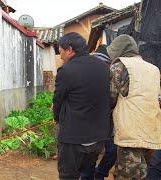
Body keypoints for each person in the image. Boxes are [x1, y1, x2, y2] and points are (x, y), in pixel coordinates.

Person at [53, 32, 111, 180]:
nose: (61, 57)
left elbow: (58, 100)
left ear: (70, 50)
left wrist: (56, 117)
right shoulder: (103, 67)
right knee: (88, 173)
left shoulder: (66, 71)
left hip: (74, 138)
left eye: (61, 52)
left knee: (68, 176)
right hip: (98, 137)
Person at [108, 34, 161, 179]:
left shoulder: (119, 67)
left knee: (129, 175)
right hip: (152, 132)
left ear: (118, 51)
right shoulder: (154, 69)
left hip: (131, 134)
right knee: (141, 173)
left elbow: (109, 99)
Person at [80, 45, 118, 180]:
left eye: (106, 64)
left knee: (113, 150)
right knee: (90, 157)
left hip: (109, 121)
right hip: (91, 123)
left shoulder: (114, 75)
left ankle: (100, 173)